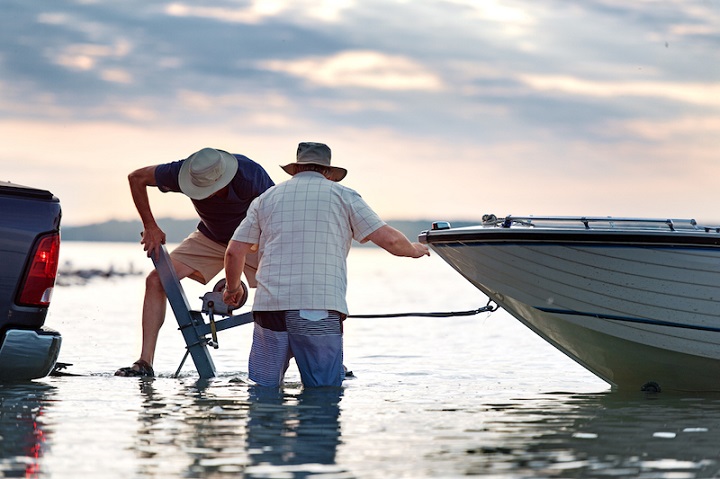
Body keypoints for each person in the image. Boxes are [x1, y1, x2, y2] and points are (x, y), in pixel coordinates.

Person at [223, 142, 429, 387]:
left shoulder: (266, 199)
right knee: (323, 393)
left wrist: (232, 289)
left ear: (295, 169)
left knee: (263, 390)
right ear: (329, 173)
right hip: (318, 307)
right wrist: (415, 250)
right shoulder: (344, 196)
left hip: (270, 309)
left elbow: (234, 253)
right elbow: (392, 241)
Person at [115, 147, 275, 377]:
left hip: (253, 240)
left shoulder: (249, 175)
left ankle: (313, 359)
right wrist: (150, 225)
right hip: (210, 237)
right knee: (156, 281)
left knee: (285, 285)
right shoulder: (180, 172)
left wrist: (237, 275)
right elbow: (136, 178)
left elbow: (274, 215)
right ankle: (144, 362)